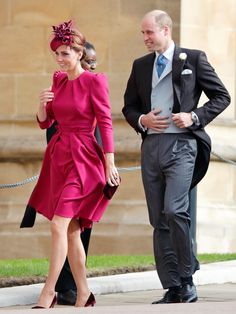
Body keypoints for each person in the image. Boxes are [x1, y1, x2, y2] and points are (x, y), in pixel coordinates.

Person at [122, 10, 230, 304]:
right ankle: (172, 285)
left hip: (182, 146)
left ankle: (187, 278)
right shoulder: (141, 65)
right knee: (158, 218)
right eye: (143, 33)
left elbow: (222, 96)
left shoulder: (193, 59)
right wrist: (142, 120)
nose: (144, 38)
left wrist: (194, 116)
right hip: (152, 148)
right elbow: (128, 106)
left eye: (149, 32)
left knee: (175, 210)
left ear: (165, 30)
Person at [25, 20, 120, 309]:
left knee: (58, 225)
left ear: (79, 53)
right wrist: (41, 106)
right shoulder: (58, 80)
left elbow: (105, 123)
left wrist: (109, 163)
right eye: (57, 53)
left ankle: (48, 291)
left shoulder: (95, 81)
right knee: (71, 230)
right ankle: (84, 292)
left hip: (84, 160)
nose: (60, 59)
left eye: (65, 53)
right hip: (59, 158)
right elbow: (47, 122)